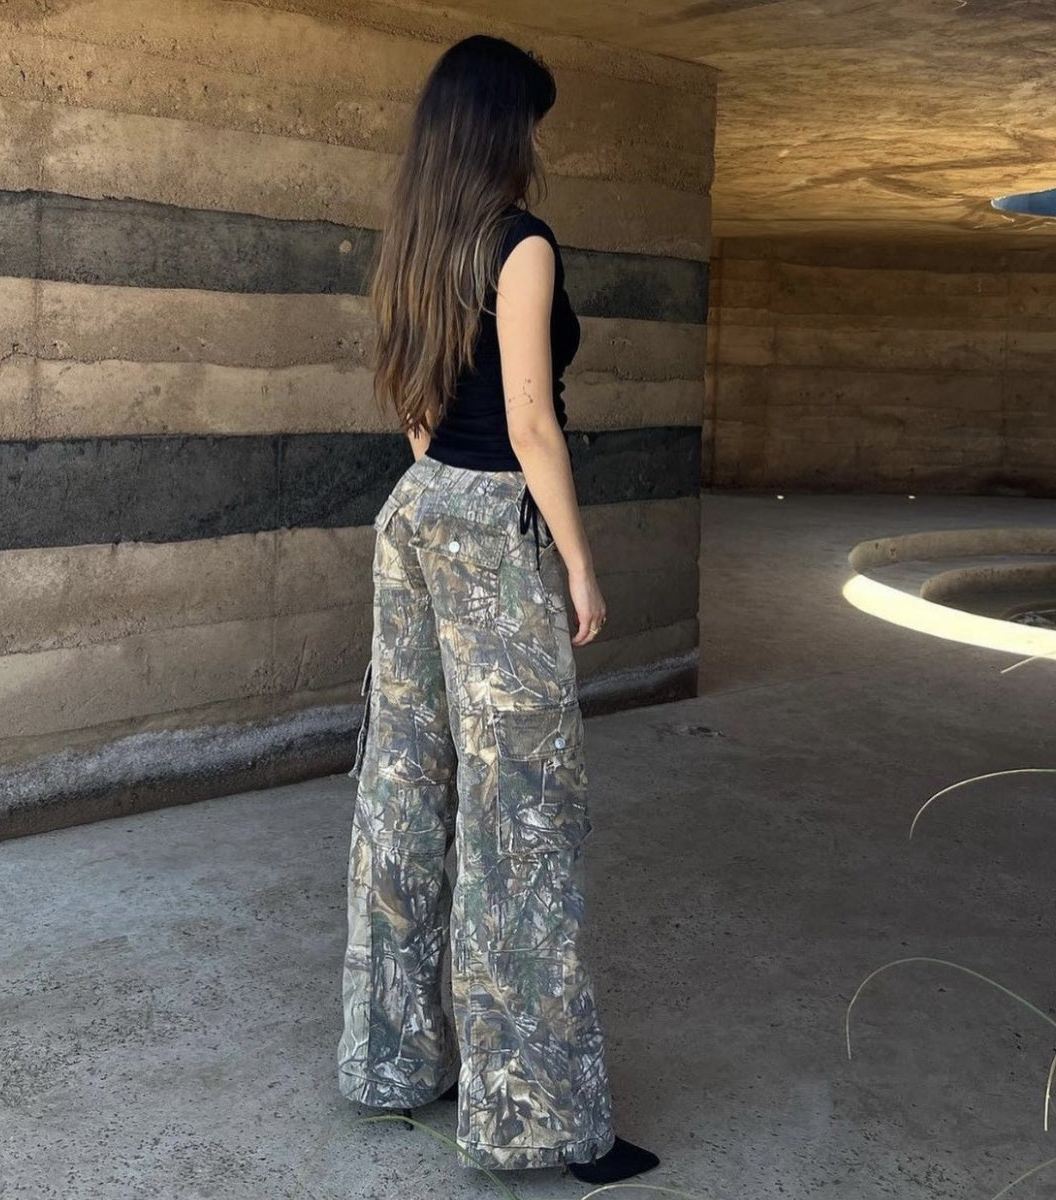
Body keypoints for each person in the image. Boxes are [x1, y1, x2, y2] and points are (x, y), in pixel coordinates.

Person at [336, 33, 660, 1186]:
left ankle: (391, 1060)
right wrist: (579, 562)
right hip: (492, 534)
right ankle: (534, 1119)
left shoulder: (419, 239)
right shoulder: (518, 242)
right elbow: (530, 421)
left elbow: (417, 406)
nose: (537, 141)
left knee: (403, 786)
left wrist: (442, 489)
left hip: (417, 512)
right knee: (522, 820)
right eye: (530, 119)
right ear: (502, 126)